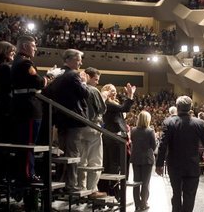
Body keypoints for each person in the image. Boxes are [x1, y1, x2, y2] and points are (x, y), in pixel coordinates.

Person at [155, 95, 204, 212]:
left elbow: (163, 145)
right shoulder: (199, 123)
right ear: (191, 108)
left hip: (174, 166)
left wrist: (159, 164)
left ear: (178, 107)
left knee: (176, 192)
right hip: (193, 167)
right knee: (189, 198)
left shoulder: (169, 122)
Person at [43, 48, 89, 193]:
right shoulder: (73, 76)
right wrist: (84, 82)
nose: (81, 62)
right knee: (73, 154)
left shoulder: (58, 75)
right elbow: (85, 94)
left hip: (61, 120)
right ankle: (70, 185)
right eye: (78, 59)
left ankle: (61, 182)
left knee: (63, 153)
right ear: (69, 60)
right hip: (73, 121)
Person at [10, 35, 48, 183]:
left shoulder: (18, 61)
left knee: (25, 143)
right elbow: (38, 82)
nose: (35, 48)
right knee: (28, 144)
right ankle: (27, 174)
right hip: (29, 108)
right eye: (33, 46)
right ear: (25, 46)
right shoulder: (25, 63)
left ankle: (25, 173)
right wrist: (48, 78)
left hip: (22, 106)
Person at [99, 82, 136, 195]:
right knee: (113, 165)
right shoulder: (107, 103)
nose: (114, 92)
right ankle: (113, 191)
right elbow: (125, 108)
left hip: (117, 137)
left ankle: (115, 191)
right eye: (111, 90)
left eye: (115, 90)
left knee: (118, 165)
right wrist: (130, 95)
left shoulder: (113, 103)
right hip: (113, 137)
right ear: (105, 92)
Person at [77, 67, 107, 198]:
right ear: (88, 76)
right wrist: (104, 97)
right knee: (95, 160)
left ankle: (81, 188)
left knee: (81, 160)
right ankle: (92, 189)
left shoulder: (76, 88)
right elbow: (102, 109)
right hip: (92, 127)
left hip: (78, 128)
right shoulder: (93, 90)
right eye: (95, 79)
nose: (97, 82)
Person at [130, 110, 156, 211]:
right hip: (147, 159)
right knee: (145, 182)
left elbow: (132, 141)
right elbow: (153, 146)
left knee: (136, 182)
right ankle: (144, 203)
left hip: (136, 158)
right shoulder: (150, 131)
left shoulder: (133, 130)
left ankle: (137, 204)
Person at [0, 40, 16, 143]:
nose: (13, 54)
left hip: (1, 102)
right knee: (5, 136)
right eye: (12, 51)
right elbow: (11, 85)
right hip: (6, 104)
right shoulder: (5, 67)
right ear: (5, 52)